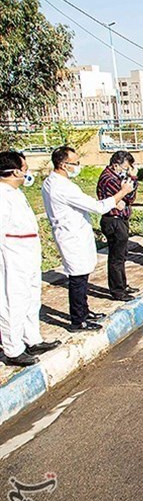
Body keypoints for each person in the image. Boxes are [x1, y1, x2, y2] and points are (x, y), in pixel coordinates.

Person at [42, 146, 134, 332]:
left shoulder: (56, 182)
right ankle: (78, 320)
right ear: (63, 164)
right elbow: (98, 207)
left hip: (76, 233)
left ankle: (84, 311)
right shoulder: (61, 187)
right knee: (78, 278)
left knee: (82, 275)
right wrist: (122, 193)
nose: (78, 166)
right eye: (75, 163)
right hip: (71, 236)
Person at [0, 151, 61, 366]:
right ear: (16, 171)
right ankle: (13, 349)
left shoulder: (15, 192)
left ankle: (32, 339)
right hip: (12, 257)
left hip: (28, 255)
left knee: (31, 298)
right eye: (25, 168)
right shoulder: (2, 195)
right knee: (12, 302)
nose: (27, 172)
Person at [96, 150, 139, 302]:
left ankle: (123, 285)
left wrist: (126, 195)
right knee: (116, 257)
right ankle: (117, 290)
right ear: (116, 165)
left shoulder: (116, 177)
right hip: (113, 220)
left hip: (120, 219)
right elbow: (129, 196)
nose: (126, 171)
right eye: (125, 168)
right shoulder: (109, 179)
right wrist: (133, 179)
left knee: (121, 255)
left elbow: (127, 198)